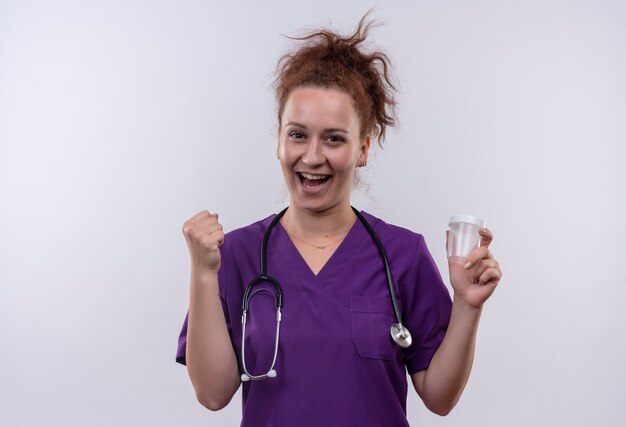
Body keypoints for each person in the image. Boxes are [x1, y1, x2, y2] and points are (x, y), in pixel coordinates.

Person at [176, 13, 502, 427]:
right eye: (297, 134)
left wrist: (467, 307)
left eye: (334, 138)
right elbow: (212, 393)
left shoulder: (403, 254)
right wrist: (203, 274)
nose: (312, 157)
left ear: (363, 149)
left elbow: (439, 398)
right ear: (278, 140)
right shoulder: (234, 255)